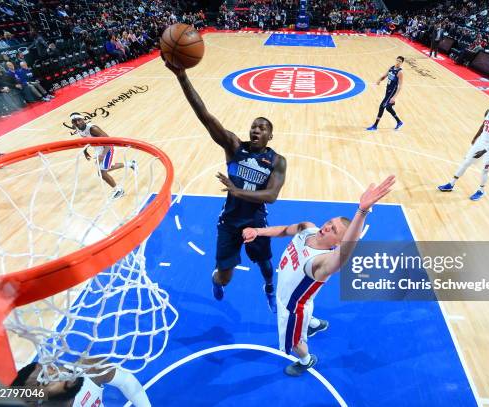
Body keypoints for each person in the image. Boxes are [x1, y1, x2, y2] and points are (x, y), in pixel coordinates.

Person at [163, 57, 287, 312]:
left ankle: (269, 288)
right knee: (225, 276)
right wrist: (182, 77)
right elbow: (206, 117)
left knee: (266, 265)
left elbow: (272, 196)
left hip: (256, 222)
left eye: (262, 128)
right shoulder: (234, 146)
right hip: (230, 222)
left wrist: (237, 190)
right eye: (254, 126)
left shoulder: (278, 160)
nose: (256, 130)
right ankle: (216, 280)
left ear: (270, 135)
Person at [242, 176, 396, 376]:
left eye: (334, 230)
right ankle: (314, 324)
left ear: (338, 243)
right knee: (307, 305)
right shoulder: (308, 228)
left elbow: (345, 252)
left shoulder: (322, 262)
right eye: (330, 222)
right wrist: (258, 231)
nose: (327, 227)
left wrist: (362, 212)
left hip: (292, 308)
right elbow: (283, 230)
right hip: (295, 296)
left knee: (294, 342)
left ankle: (306, 360)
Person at [437, 95, 489, 201]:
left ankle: (481, 191)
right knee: (466, 162)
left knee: (484, 170)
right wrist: (475, 137)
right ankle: (451, 184)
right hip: (481, 142)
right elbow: (483, 126)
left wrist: (485, 150)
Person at [12, 360, 151, 406]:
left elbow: (126, 381)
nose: (57, 371)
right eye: (45, 377)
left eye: (51, 367)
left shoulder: (89, 369)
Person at [70, 113, 136, 199]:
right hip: (98, 149)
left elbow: (109, 141)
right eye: (75, 121)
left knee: (102, 172)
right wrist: (85, 152)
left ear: (83, 119)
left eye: (79, 120)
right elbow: (84, 140)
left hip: (107, 148)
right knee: (107, 168)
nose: (78, 123)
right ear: (73, 123)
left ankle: (118, 190)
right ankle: (130, 164)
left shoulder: (93, 129)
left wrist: (102, 155)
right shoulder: (77, 128)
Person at [367, 56, 405, 131]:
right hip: (387, 90)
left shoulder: (400, 72)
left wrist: (394, 97)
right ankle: (399, 122)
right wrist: (379, 80)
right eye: (397, 60)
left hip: (392, 92)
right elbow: (385, 76)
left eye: (400, 61)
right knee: (388, 108)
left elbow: (400, 86)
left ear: (402, 63)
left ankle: (375, 126)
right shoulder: (391, 68)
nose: (398, 62)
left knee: (382, 106)